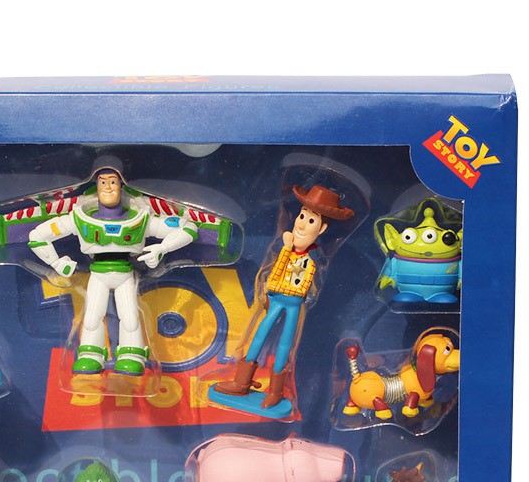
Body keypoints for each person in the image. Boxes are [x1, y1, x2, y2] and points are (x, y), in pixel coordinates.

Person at [27, 169, 198, 375]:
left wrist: (162, 248)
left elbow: (188, 229)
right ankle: (91, 354)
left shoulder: (140, 220)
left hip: (125, 274)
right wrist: (56, 262)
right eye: (103, 182)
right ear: (96, 187)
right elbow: (37, 236)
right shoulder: (79, 219)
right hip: (97, 275)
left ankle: (132, 355)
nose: (108, 187)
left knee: (130, 317)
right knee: (92, 317)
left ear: (121, 186)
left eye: (113, 182)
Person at [213, 184, 354, 408]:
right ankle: (241, 382)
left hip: (294, 304)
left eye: (311, 220)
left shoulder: (313, 258)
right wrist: (285, 253)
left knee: (285, 345)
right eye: (302, 216)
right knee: (259, 335)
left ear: (322, 229)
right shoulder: (285, 249)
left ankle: (276, 391)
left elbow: (305, 282)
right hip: (276, 299)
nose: (302, 224)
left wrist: (290, 262)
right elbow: (276, 270)